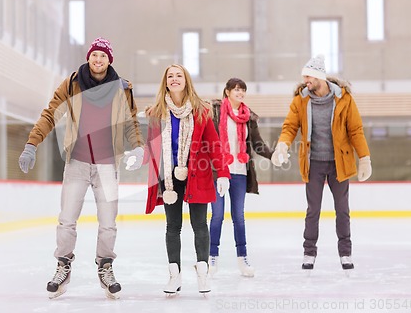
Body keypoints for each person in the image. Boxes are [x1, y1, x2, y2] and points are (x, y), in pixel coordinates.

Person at [18, 37, 144, 299]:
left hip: (108, 164)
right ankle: (63, 266)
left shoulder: (121, 88)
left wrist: (138, 146)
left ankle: (105, 266)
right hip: (77, 162)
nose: (98, 60)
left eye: (103, 57)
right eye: (95, 55)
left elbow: (131, 121)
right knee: (67, 220)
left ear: (110, 61)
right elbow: (51, 113)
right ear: (89, 57)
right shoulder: (73, 83)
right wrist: (32, 143)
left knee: (108, 223)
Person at [271, 54, 372, 270]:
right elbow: (290, 127)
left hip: (339, 163)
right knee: (313, 210)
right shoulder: (301, 100)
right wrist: (282, 145)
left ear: (319, 77)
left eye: (308, 76)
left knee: (342, 209)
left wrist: (364, 158)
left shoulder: (344, 99)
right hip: (313, 163)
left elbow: (355, 130)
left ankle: (345, 254)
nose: (305, 81)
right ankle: (309, 253)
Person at [144, 64, 230, 294]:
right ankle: (175, 276)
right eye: (170, 76)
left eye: (178, 75)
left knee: (200, 225)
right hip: (169, 179)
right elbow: (151, 147)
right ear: (165, 82)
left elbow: (214, 143)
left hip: (197, 175)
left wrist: (222, 172)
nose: (174, 79)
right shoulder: (157, 112)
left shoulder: (201, 110)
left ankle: (203, 275)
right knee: (173, 226)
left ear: (186, 80)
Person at [209, 78, 273, 277]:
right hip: (219, 172)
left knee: (239, 217)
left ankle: (243, 259)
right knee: (217, 216)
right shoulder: (215, 112)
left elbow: (257, 143)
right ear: (227, 92)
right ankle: (212, 258)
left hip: (239, 172)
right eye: (236, 89)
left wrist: (274, 155)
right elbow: (209, 140)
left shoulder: (248, 117)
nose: (240, 92)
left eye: (243, 89)